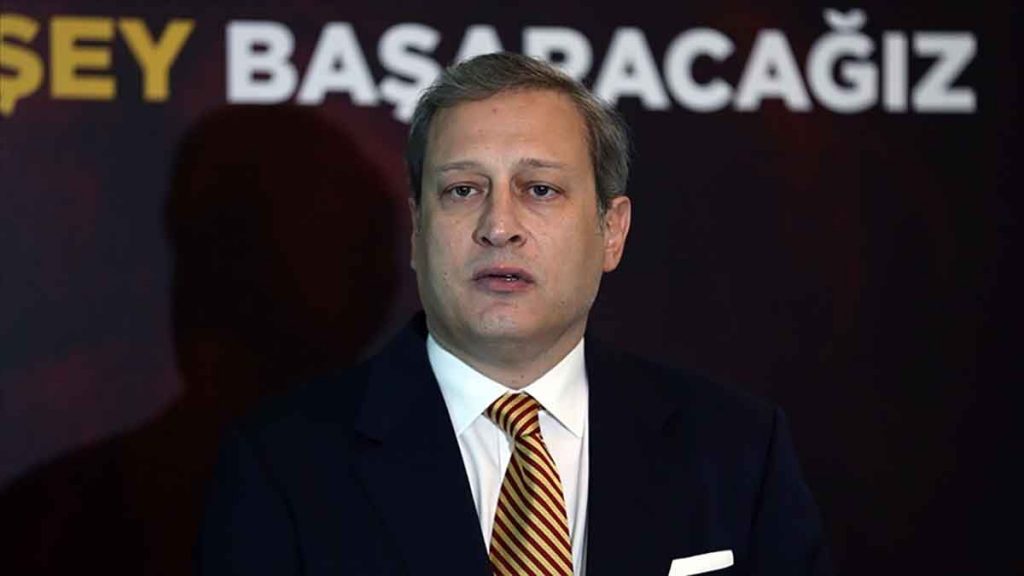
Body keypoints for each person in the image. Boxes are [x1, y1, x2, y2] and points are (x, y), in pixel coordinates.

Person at [196, 52, 831, 575]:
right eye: (463, 190)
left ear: (612, 231)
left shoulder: (738, 450)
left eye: (540, 189)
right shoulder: (282, 463)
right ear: (417, 231)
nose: (499, 226)